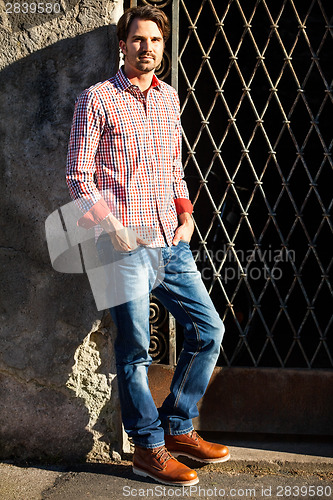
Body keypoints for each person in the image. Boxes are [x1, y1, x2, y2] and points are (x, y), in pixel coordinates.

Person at [66, 5, 230, 487]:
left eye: (155, 41)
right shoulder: (96, 100)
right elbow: (79, 178)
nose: (147, 48)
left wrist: (187, 215)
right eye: (138, 39)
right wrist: (110, 228)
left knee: (209, 331)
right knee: (135, 350)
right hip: (122, 246)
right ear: (122, 44)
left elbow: (174, 168)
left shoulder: (169, 99)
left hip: (169, 241)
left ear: (163, 46)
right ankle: (147, 448)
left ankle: (178, 426)